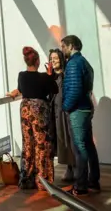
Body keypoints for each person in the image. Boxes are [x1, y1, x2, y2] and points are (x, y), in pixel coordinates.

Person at [7, 46, 58, 190]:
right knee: (42, 145)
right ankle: (43, 181)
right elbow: (55, 89)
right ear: (37, 62)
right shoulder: (43, 77)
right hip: (39, 111)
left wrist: (14, 92)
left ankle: (26, 179)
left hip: (25, 109)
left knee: (28, 144)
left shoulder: (21, 75)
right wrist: (50, 74)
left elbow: (21, 89)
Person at [61, 35, 101, 196]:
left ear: (71, 46)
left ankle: (81, 186)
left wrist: (66, 107)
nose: (62, 49)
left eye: (63, 46)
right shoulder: (84, 62)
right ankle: (93, 181)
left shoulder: (73, 64)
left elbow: (75, 89)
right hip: (85, 108)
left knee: (80, 148)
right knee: (88, 146)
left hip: (78, 110)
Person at [47, 48, 76, 182]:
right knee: (59, 141)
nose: (53, 61)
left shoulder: (66, 75)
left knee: (69, 140)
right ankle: (69, 168)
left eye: (56, 58)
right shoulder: (50, 76)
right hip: (54, 113)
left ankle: (73, 168)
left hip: (65, 112)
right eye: (51, 59)